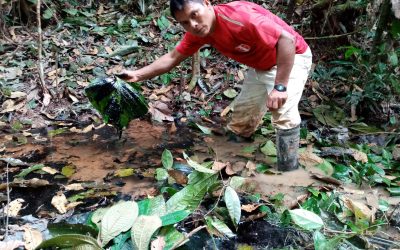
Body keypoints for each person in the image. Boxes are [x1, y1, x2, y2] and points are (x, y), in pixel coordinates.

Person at [118, 0, 313, 171]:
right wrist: (136, 75)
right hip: (261, 64)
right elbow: (172, 57)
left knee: (283, 112)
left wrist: (280, 87)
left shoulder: (240, 17)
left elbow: (286, 39)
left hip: (291, 57)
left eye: (194, 15)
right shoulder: (199, 33)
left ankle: (289, 172)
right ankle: (234, 147)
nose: (193, 25)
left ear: (207, 3)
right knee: (245, 109)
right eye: (185, 22)